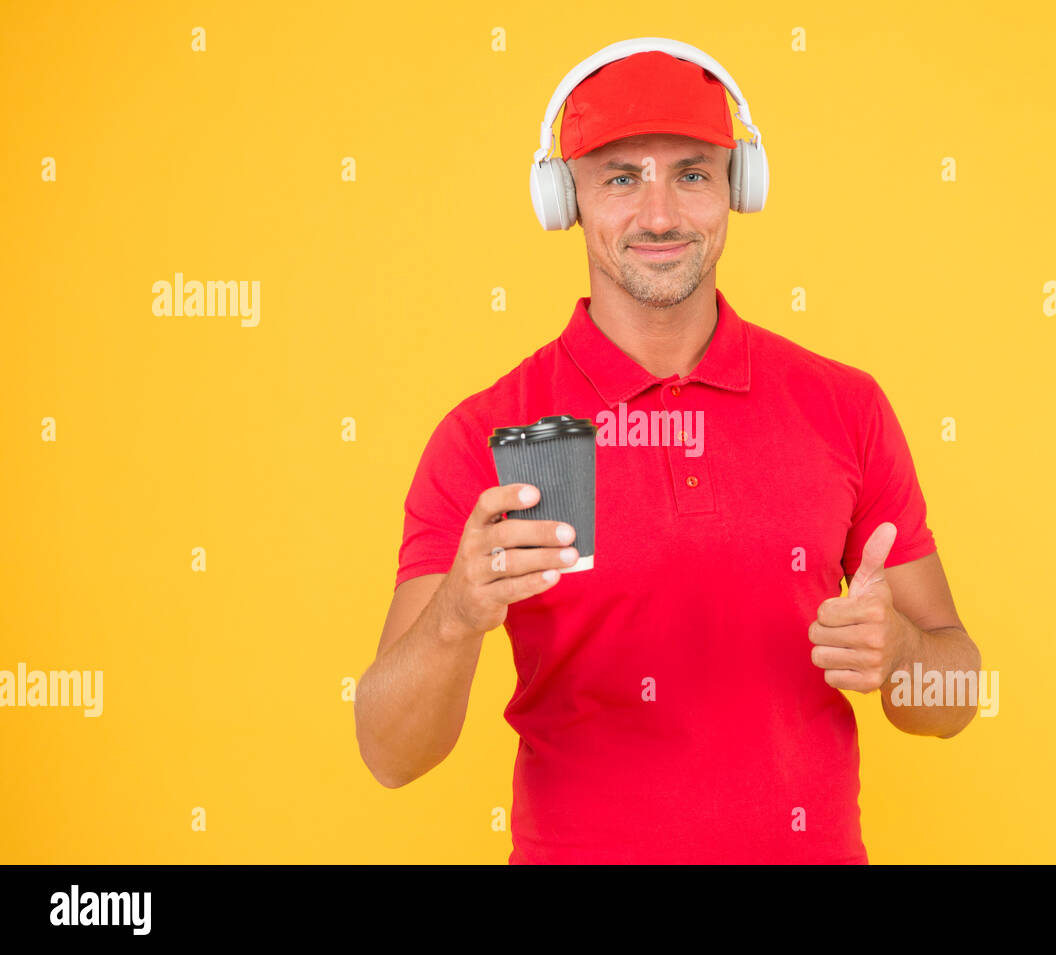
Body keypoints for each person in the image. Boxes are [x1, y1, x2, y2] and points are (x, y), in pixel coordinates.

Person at [354, 39, 981, 864]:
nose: (658, 215)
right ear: (563, 197)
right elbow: (390, 754)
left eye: (691, 173)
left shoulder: (844, 406)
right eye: (620, 176)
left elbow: (958, 694)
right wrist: (457, 615)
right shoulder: (497, 435)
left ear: (737, 189)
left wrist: (900, 651)